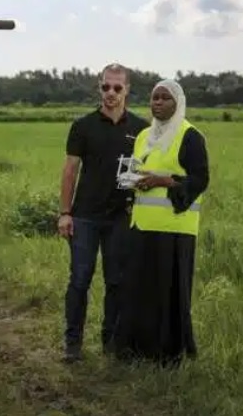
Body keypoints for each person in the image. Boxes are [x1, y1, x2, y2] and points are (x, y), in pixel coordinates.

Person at [112, 79, 210, 367]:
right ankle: (137, 350)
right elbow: (135, 169)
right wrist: (133, 181)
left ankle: (169, 355)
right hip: (142, 227)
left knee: (168, 294)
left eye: (165, 98)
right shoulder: (144, 136)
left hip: (174, 229)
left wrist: (163, 181)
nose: (157, 102)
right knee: (139, 291)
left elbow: (200, 179)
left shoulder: (190, 136)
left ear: (177, 103)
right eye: (154, 97)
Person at [58, 63, 149, 363]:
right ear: (99, 87)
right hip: (84, 216)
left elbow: (147, 170)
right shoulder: (82, 126)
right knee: (80, 280)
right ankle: (73, 344)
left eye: (117, 88)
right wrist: (65, 212)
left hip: (121, 217)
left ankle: (111, 343)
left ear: (127, 90)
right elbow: (70, 170)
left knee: (117, 282)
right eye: (105, 87)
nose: (110, 93)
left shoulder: (140, 129)